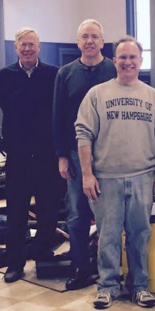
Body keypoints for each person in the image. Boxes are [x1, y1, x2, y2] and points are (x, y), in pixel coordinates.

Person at [75, 37, 155, 310]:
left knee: (139, 235)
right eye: (122, 57)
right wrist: (87, 174)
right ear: (114, 60)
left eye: (133, 57)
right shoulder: (97, 94)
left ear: (141, 61)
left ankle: (139, 286)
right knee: (107, 236)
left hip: (143, 177)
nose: (128, 62)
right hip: (105, 179)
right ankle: (107, 286)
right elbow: (83, 134)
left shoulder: (154, 97)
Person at [0, 27, 60, 283]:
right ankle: (15, 264)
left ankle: (42, 257)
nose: (27, 49)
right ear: (15, 48)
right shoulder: (3, 77)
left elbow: (64, 114)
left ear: (39, 47)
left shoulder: (54, 75)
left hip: (48, 159)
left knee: (49, 212)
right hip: (17, 159)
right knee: (16, 214)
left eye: (32, 44)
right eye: (23, 45)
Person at [53, 19, 116, 291]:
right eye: (84, 37)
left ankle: (109, 269)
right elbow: (57, 116)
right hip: (76, 155)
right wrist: (62, 156)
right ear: (78, 42)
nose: (89, 41)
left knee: (109, 215)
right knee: (77, 213)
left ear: (102, 42)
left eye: (95, 36)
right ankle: (80, 266)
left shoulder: (114, 69)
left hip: (110, 153)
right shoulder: (65, 73)